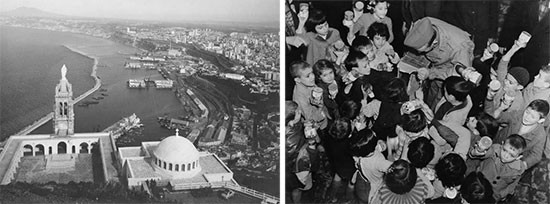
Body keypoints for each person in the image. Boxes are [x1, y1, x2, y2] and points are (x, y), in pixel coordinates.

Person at [403, 17, 474, 110]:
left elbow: (456, 77)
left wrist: (430, 73)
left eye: (422, 50)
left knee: (439, 99)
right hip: (437, 63)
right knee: (432, 90)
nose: (419, 53)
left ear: (434, 43)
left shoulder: (460, 48)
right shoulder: (424, 24)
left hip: (452, 67)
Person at [486, 99, 549, 169]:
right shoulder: (518, 115)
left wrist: (521, 166)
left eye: (532, 117)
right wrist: (501, 108)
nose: (527, 117)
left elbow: (536, 155)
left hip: (511, 162)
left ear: (541, 120)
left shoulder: (540, 135)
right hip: (497, 147)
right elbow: (499, 117)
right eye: (527, 112)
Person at [471, 134, 527, 201]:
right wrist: (479, 151)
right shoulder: (494, 149)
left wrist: (502, 194)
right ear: (502, 144)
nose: (505, 156)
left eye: (511, 155)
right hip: (477, 184)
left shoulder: (519, 169)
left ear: (518, 157)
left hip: (494, 195)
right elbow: (484, 153)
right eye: (504, 150)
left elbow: (513, 184)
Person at [485, 38, 529, 113]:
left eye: (511, 82)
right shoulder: (503, 82)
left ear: (519, 87)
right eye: (506, 78)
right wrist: (515, 47)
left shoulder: (517, 103)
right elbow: (503, 62)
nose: (506, 82)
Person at [349, 129, 391, 204]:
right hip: (372, 187)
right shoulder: (379, 162)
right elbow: (395, 168)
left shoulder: (357, 156)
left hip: (361, 179)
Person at [324, 118, 355, 202]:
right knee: (352, 183)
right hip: (350, 167)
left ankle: (331, 196)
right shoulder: (350, 143)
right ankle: (348, 199)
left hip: (337, 163)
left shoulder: (330, 137)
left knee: (337, 177)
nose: (352, 122)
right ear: (348, 134)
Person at [291, 61, 328, 131]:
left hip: (322, 116)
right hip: (316, 125)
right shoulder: (299, 97)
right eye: (308, 76)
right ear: (297, 80)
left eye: (312, 73)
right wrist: (320, 107)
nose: (313, 77)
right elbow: (310, 118)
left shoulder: (307, 83)